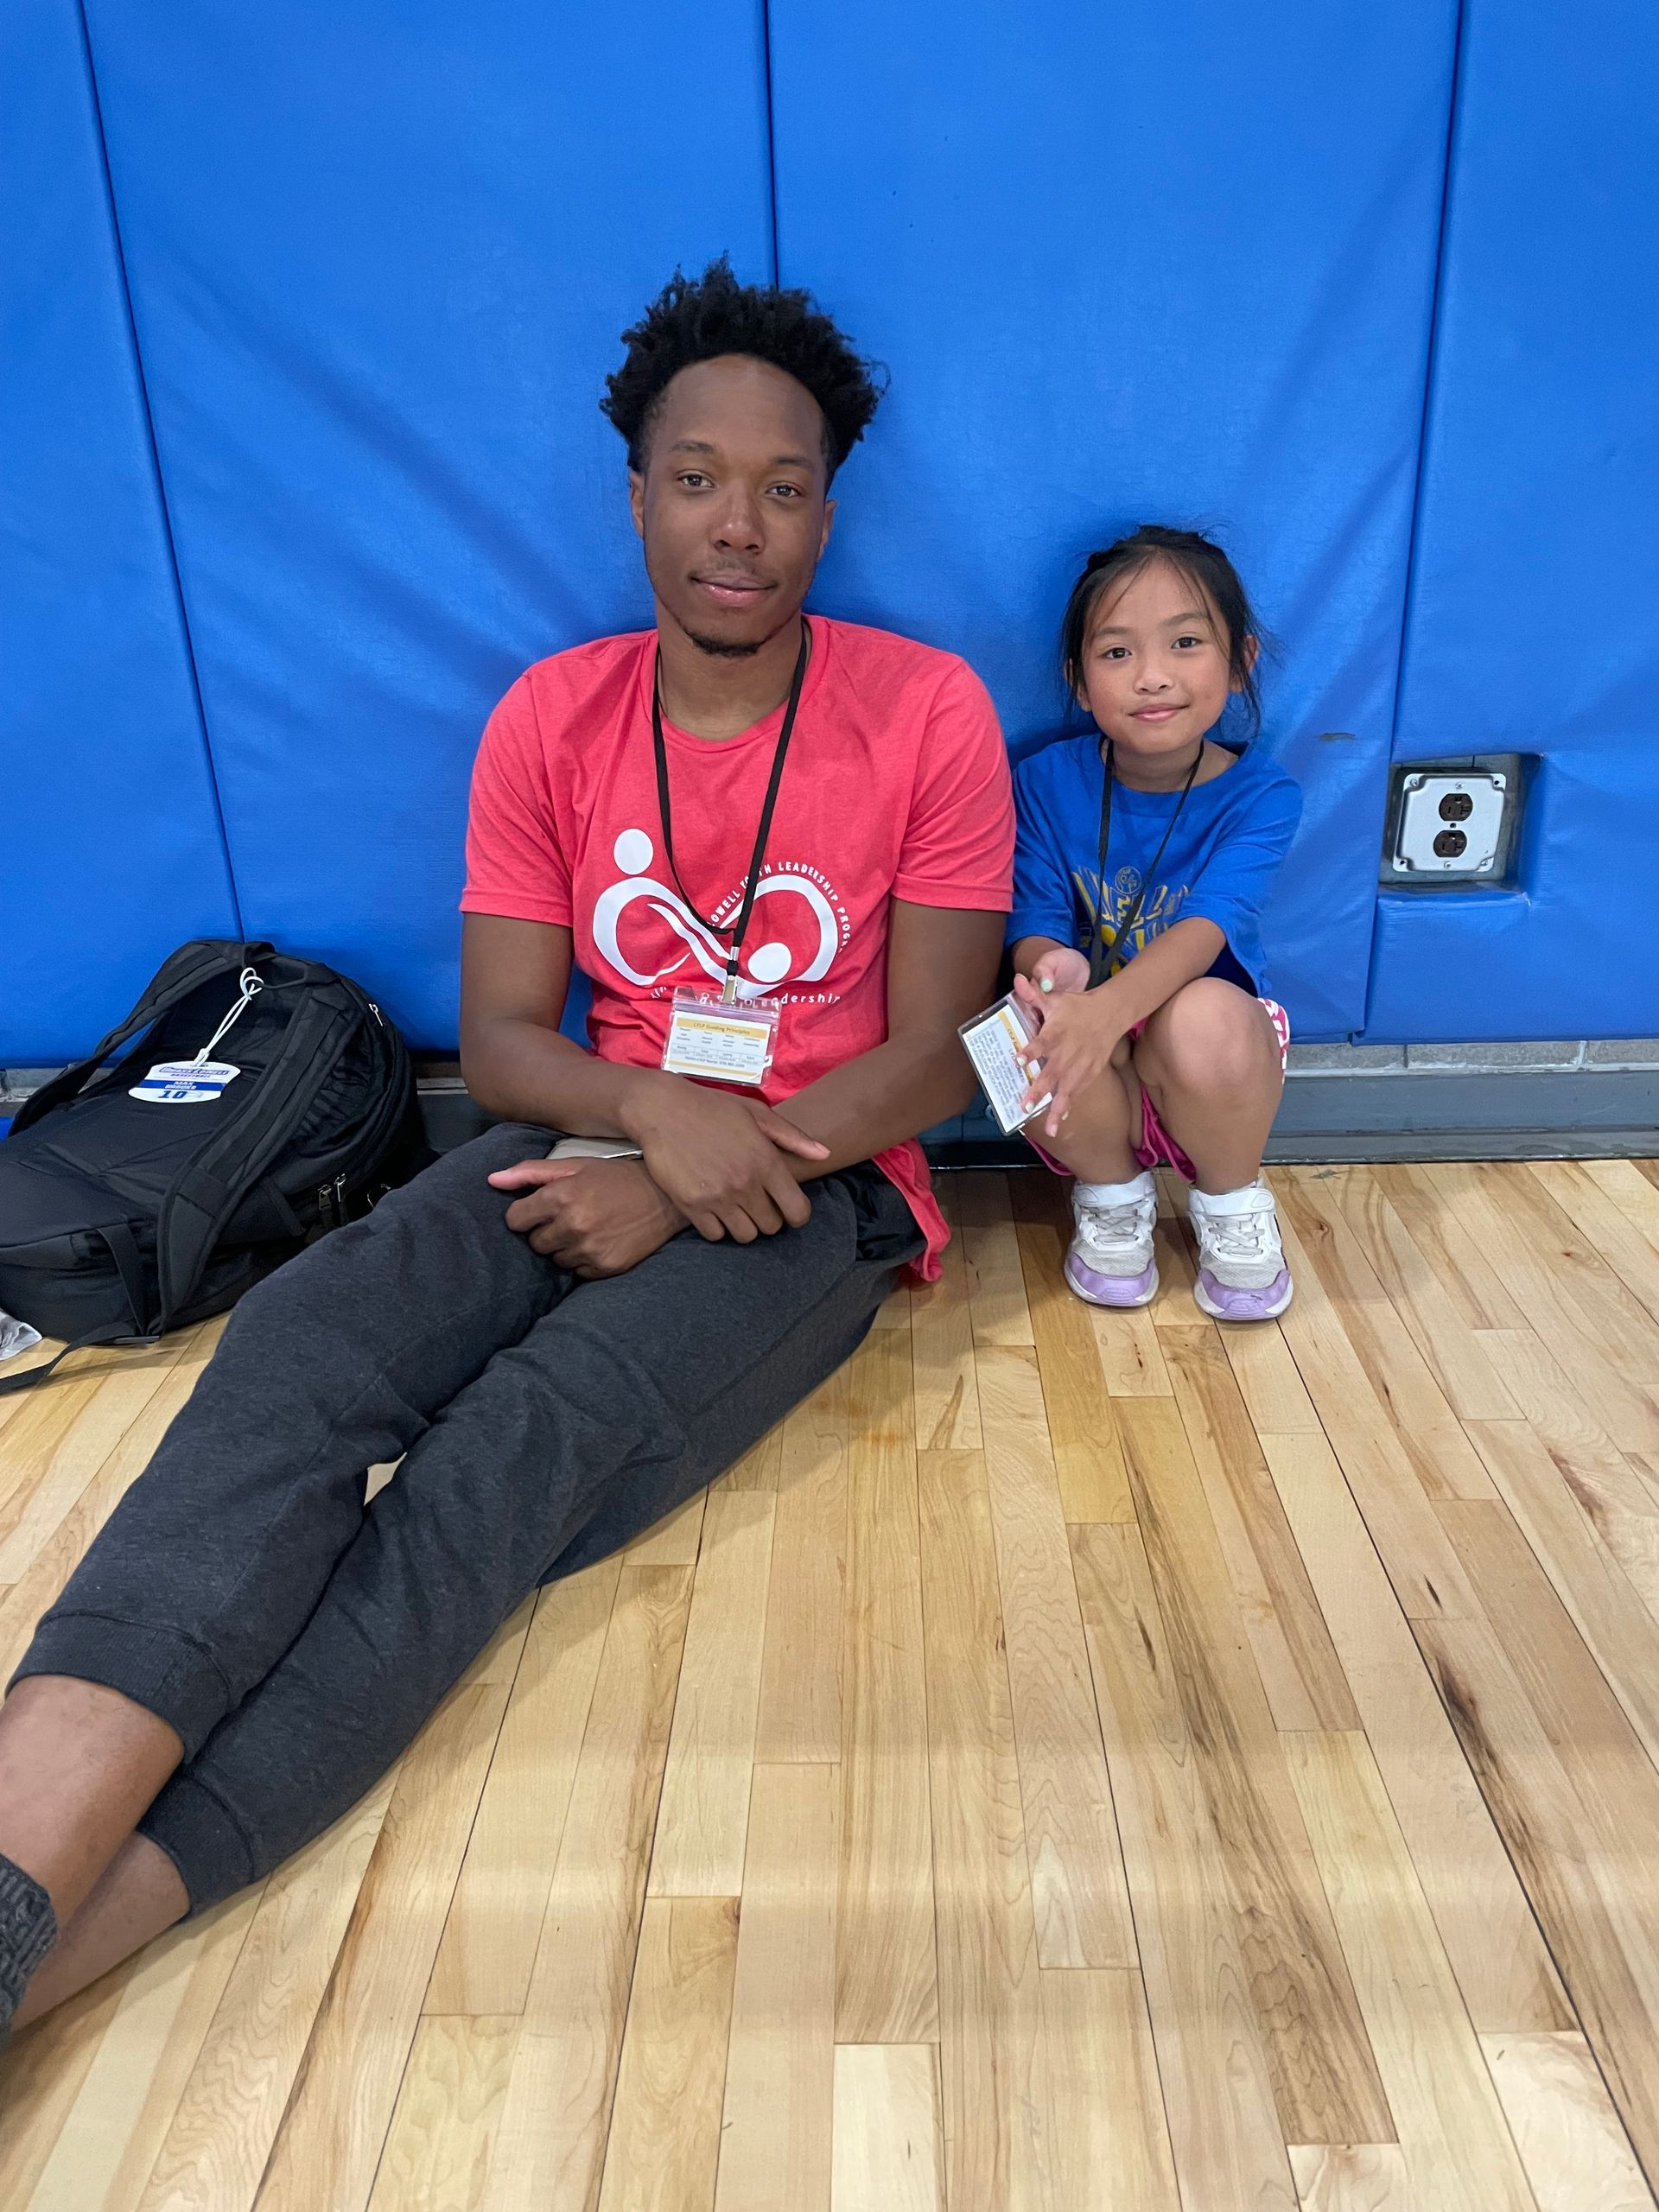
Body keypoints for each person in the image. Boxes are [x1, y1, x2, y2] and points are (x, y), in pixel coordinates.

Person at [0, 258, 1013, 2041]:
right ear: (635, 494)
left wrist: (708, 1157)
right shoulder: (554, 715)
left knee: (502, 1460)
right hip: (582, 1135)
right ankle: (14, 1864)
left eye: (784, 489)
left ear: (829, 516)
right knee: (301, 1345)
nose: (740, 526)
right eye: (698, 476)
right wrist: (649, 1118)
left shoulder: (921, 707)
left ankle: (51, 1957)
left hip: (831, 1190)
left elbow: (937, 1052)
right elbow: (518, 1036)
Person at [1007, 524, 1301, 1319]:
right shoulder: (1042, 780)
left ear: (1239, 663)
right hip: (1093, 1062)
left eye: (1185, 643)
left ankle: (1232, 1198)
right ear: (1078, 681)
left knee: (1203, 1010)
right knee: (1009, 1033)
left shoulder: (1263, 797)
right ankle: (1111, 1194)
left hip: (1204, 1057)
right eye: (1116, 654)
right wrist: (1051, 970)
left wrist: (1106, 1010)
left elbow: (1211, 927)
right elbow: (1033, 918)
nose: (1152, 677)